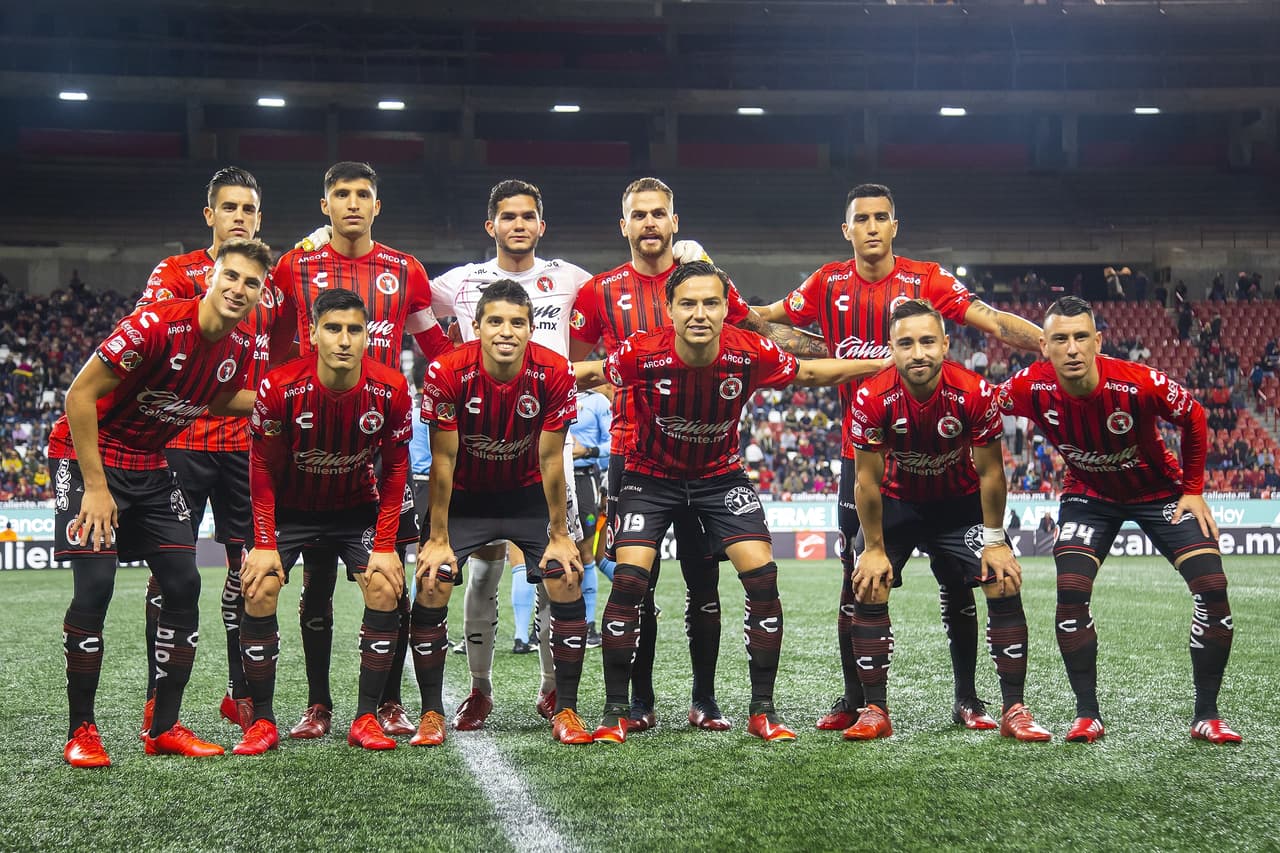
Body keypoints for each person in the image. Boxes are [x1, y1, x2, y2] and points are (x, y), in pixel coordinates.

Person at [750, 182, 1044, 732]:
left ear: (894, 225)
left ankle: (970, 700)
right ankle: (855, 700)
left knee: (959, 583)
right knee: (856, 579)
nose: (871, 227)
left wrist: (1050, 342)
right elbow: (766, 319)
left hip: (945, 467)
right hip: (865, 461)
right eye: (861, 218)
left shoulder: (927, 280)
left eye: (881, 217)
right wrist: (728, 307)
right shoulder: (827, 282)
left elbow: (991, 319)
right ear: (847, 229)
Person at [576, 261, 884, 743]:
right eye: (688, 304)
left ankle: (762, 709)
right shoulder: (642, 351)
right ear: (670, 309)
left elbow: (809, 373)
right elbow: (587, 372)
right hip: (649, 478)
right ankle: (617, 710)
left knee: (762, 575)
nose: (699, 313)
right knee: (631, 580)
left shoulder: (748, 350)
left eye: (710, 303)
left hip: (718, 478)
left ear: (726, 308)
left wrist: (883, 364)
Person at [568, 177, 822, 733]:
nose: (650, 223)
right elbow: (572, 365)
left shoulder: (707, 282)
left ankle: (704, 700)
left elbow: (758, 336)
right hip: (633, 455)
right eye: (639, 214)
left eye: (659, 213)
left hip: (708, 458)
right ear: (624, 225)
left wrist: (857, 356)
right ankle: (638, 702)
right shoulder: (599, 292)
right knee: (636, 585)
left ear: (674, 222)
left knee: (704, 584)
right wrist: (618, 388)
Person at [53, 238, 271, 767]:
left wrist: (280, 399)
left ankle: (164, 727)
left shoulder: (240, 347)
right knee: (96, 586)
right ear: (211, 278)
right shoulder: (155, 325)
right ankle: (81, 731)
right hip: (89, 459)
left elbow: (219, 399)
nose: (239, 289)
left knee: (184, 583)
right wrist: (96, 487)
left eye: (252, 283)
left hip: (150, 464)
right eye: (231, 276)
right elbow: (79, 396)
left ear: (260, 295)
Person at [998, 295, 1240, 744]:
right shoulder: (1029, 387)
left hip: (1159, 491)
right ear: (1044, 347)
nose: (1072, 348)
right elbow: (980, 410)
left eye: (1081, 337)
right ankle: (1086, 714)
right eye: (1060, 339)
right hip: (1088, 494)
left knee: (1212, 586)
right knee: (1071, 591)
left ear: (1098, 341)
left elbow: (1194, 415)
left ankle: (1207, 715)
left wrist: (1192, 489)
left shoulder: (1137, 382)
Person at [269, 161, 453, 740]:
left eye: (363, 194)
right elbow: (274, 346)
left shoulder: (405, 269)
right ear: (325, 205)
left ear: (377, 205)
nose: (352, 203)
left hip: (382, 441)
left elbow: (435, 347)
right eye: (341, 194)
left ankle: (389, 702)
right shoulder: (295, 265)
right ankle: (318, 705)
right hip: (312, 443)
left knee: (389, 574)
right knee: (317, 585)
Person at [423, 179, 592, 730]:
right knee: (480, 576)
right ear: (490, 225)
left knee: (558, 571)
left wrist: (692, 260)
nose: (518, 225)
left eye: (527, 216)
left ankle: (553, 690)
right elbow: (407, 302)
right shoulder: (461, 281)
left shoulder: (571, 278)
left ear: (542, 224)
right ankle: (479, 690)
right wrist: (444, 357)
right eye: (508, 216)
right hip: (476, 453)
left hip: (545, 446)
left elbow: (616, 311)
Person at [843, 299, 1051, 742]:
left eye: (927, 342)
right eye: (906, 344)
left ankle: (1009, 707)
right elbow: (866, 481)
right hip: (897, 505)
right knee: (868, 582)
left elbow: (991, 473)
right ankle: (875, 709)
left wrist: (995, 540)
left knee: (1002, 578)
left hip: (959, 506)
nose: (917, 353)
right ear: (892, 349)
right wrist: (874, 549)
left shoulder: (975, 392)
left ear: (945, 344)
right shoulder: (871, 397)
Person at [237, 288, 412, 753]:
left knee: (385, 585)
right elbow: (261, 467)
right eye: (333, 328)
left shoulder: (391, 388)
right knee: (258, 586)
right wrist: (264, 543)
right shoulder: (279, 386)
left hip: (354, 507)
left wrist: (385, 545)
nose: (344, 339)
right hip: (291, 508)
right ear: (313, 334)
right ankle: (263, 721)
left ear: (368, 336)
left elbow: (396, 469)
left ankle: (366, 717)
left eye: (354, 330)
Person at [135, 166, 274, 737]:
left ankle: (240, 695)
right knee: (170, 575)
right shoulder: (176, 272)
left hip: (246, 449)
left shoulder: (268, 283)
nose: (239, 216)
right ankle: (157, 699)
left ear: (259, 218)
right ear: (210, 215)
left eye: (249, 208)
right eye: (230, 207)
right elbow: (151, 334)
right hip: (181, 443)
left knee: (247, 574)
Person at [569, 387, 611, 649]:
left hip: (584, 481)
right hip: (548, 478)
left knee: (586, 553)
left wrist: (587, 451)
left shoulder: (597, 401)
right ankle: (542, 626)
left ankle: (589, 624)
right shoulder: (550, 387)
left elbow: (613, 442)